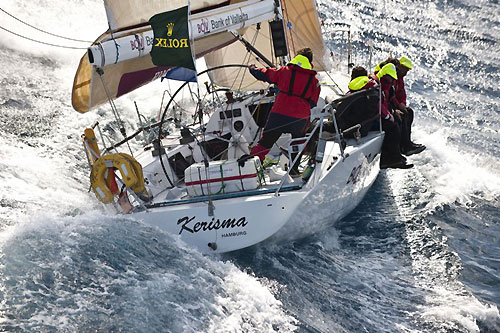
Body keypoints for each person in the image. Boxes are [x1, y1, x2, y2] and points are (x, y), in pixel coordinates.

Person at [248, 48, 321, 164]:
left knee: (265, 143)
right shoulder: (315, 81)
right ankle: (294, 169)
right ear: (310, 62)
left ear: (297, 58)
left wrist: (252, 69)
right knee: (298, 142)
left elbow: (265, 74)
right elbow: (312, 104)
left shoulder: (284, 71)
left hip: (278, 115)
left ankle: (252, 167)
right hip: (300, 119)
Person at [376, 63, 413, 169]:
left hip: (384, 111)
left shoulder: (386, 85)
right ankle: (391, 158)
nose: (391, 81)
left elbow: (391, 99)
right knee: (393, 126)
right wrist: (389, 114)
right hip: (378, 115)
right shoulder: (380, 85)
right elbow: (380, 102)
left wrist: (395, 109)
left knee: (401, 118)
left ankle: (402, 149)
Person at [392, 56, 426, 155]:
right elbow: (390, 95)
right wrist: (398, 106)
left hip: (396, 105)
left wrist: (402, 104)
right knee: (401, 116)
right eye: (405, 68)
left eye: (408, 69)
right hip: (392, 105)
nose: (407, 71)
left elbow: (402, 94)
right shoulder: (393, 77)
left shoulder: (400, 79)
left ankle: (407, 143)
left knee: (409, 112)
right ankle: (404, 146)